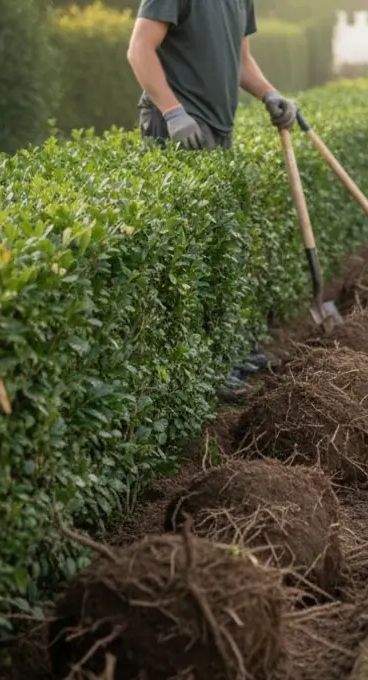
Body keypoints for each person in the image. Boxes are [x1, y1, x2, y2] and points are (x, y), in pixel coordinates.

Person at [126, 0, 298, 399]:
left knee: (219, 248)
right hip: (178, 127)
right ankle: (201, 374)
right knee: (186, 257)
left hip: (218, 131)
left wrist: (269, 93)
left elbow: (240, 62)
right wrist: (173, 113)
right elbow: (139, 48)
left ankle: (225, 355)